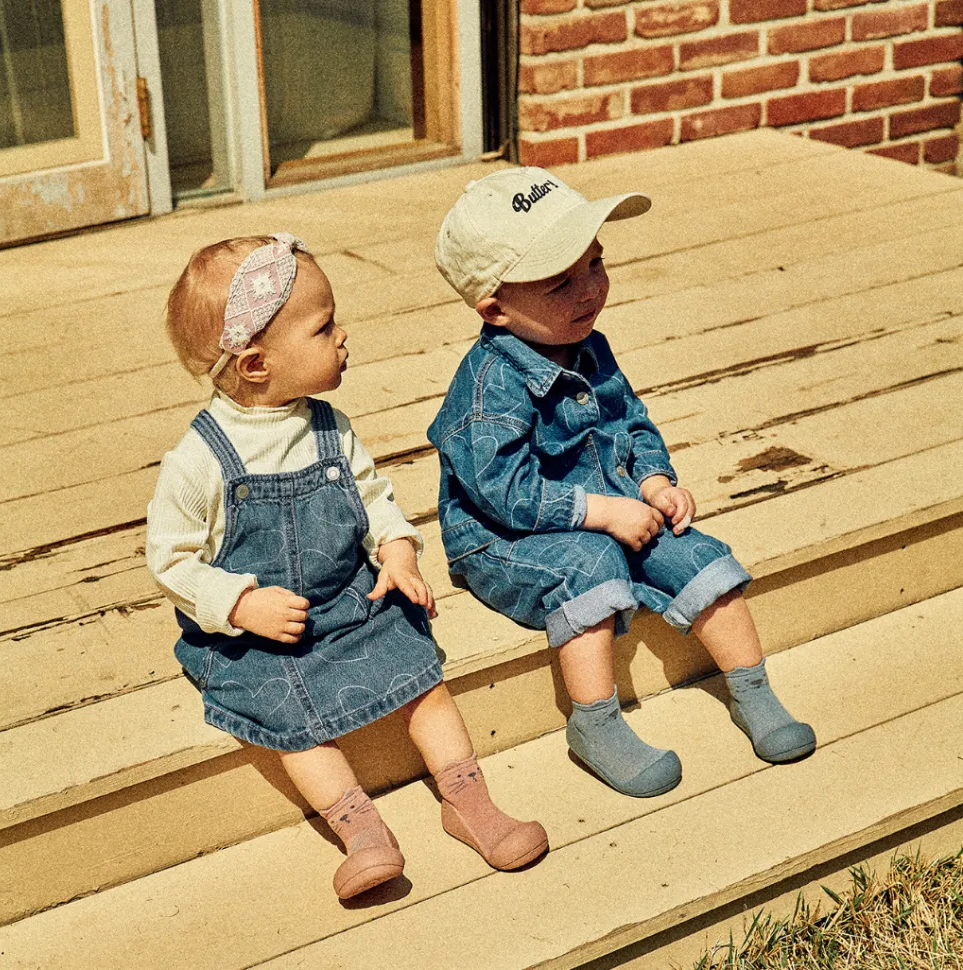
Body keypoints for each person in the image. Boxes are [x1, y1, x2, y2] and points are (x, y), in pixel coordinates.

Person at [146, 233, 547, 900]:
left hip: (347, 598)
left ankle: (469, 800)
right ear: (255, 365)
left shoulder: (330, 426)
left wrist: (396, 551)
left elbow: (372, 498)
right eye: (323, 326)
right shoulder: (199, 460)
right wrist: (240, 604)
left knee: (419, 671)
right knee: (288, 718)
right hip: (265, 634)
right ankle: (361, 830)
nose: (343, 335)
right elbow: (171, 561)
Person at [426, 170, 816, 799]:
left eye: (596, 263)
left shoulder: (589, 345)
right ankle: (595, 723)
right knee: (591, 566)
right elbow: (503, 491)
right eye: (561, 283)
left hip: (612, 506)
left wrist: (655, 481)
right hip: (505, 537)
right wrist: (603, 512)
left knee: (699, 557)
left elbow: (630, 422)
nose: (590, 289)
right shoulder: (489, 386)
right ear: (496, 309)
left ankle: (753, 691)